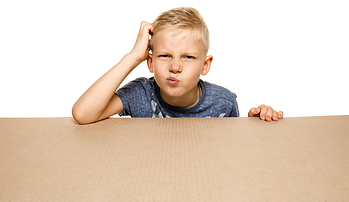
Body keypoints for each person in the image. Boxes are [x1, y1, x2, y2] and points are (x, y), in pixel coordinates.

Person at [72, 7, 283, 124]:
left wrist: (255, 123)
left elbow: (229, 151)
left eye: (188, 57)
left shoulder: (224, 102)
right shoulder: (141, 94)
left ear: (205, 65)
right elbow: (83, 114)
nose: (175, 67)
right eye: (164, 55)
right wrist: (133, 57)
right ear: (150, 62)